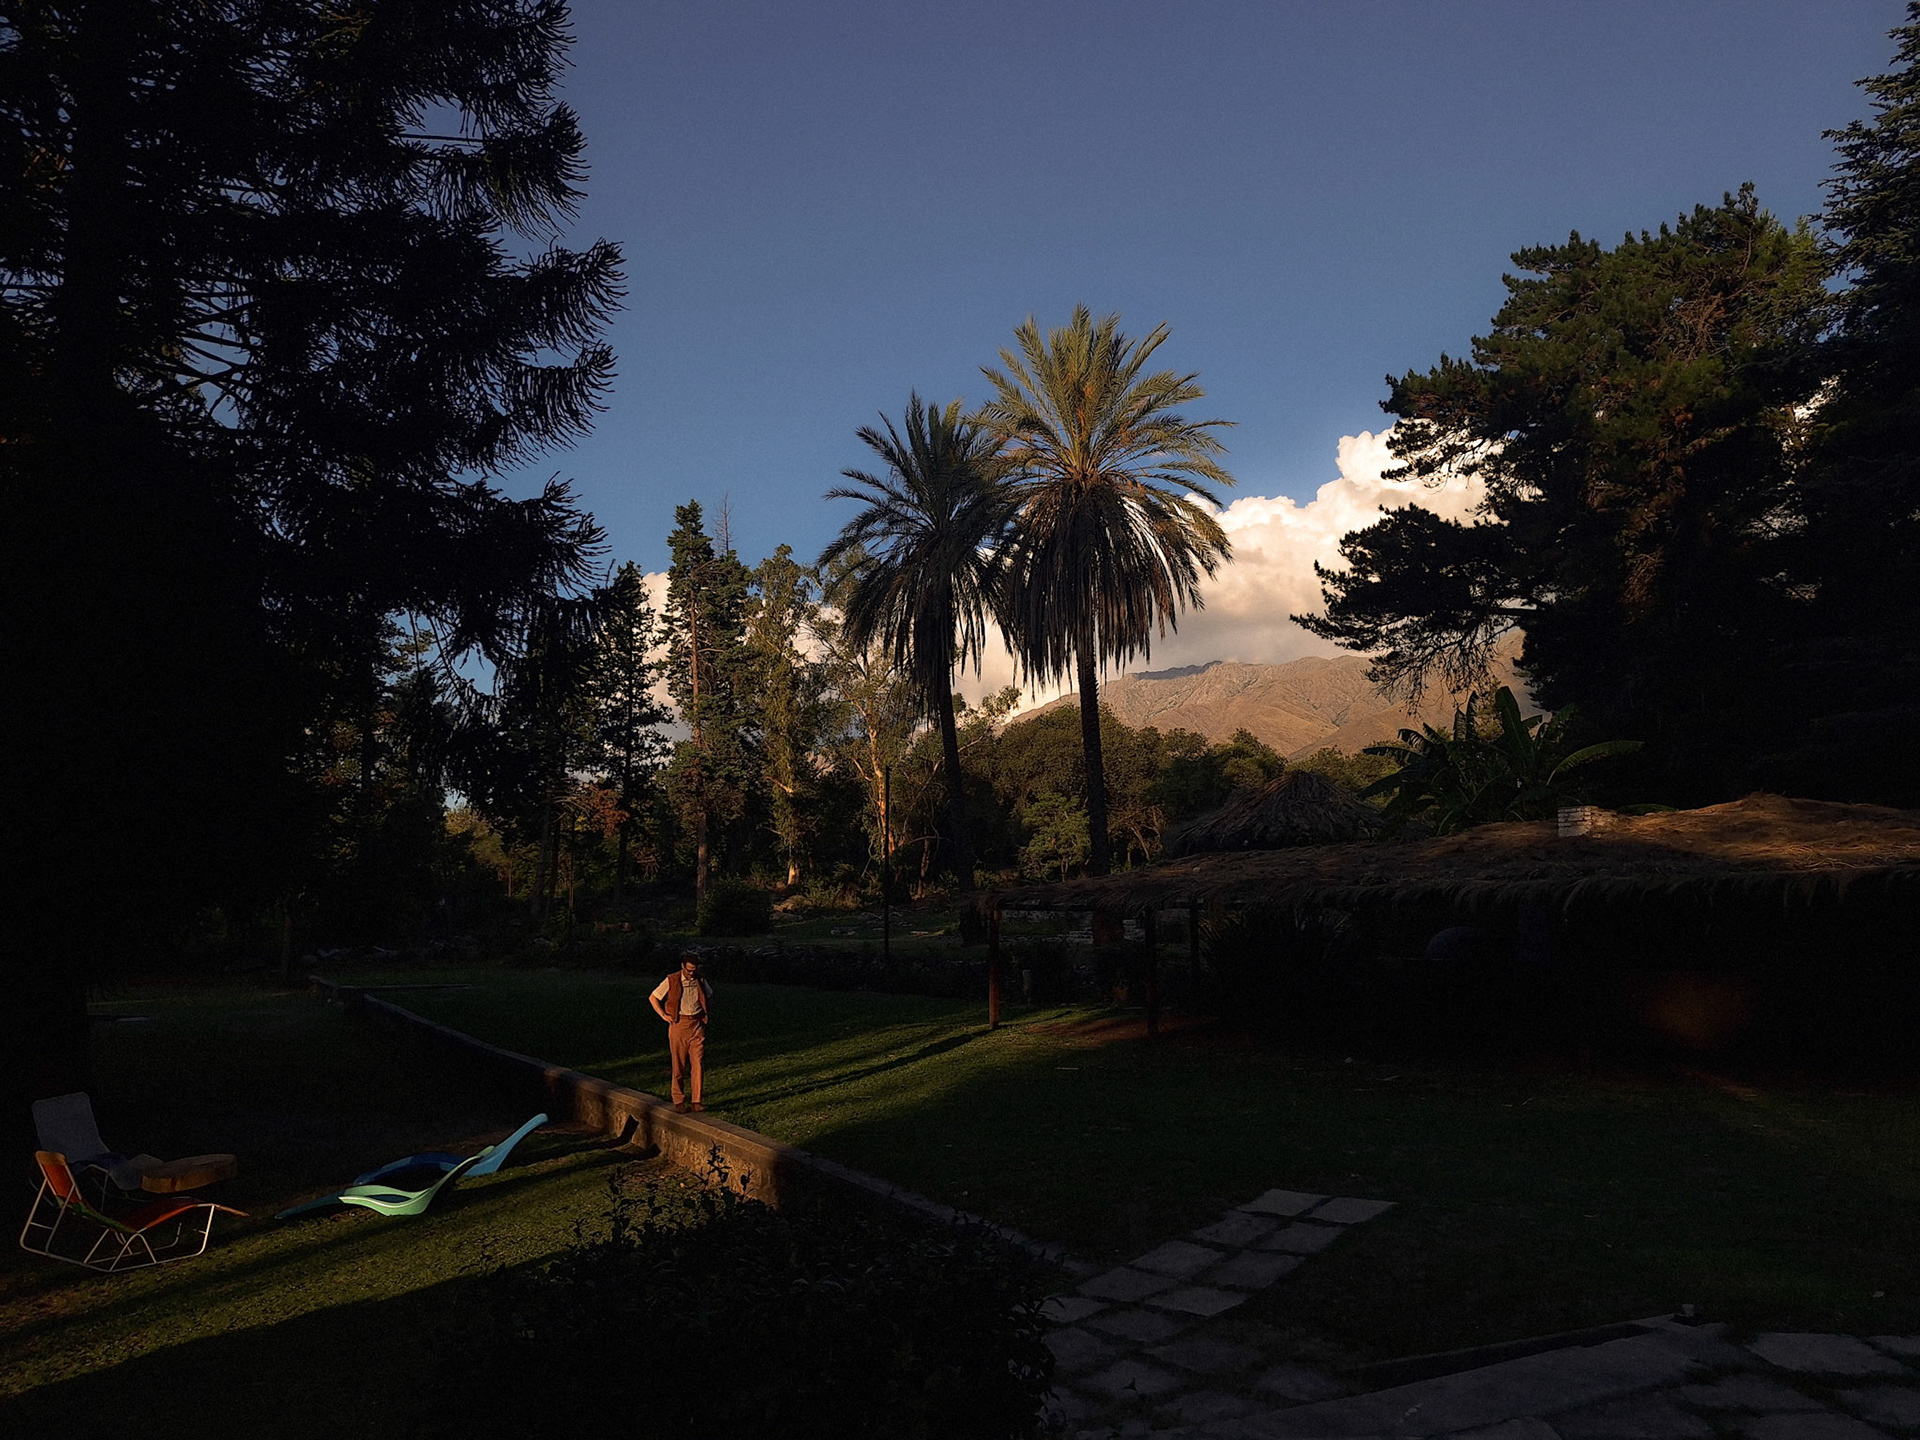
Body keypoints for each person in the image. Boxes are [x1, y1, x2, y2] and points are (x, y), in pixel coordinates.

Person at [649, 953, 713, 1112]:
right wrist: (664, 1015)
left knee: (698, 1063)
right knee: (678, 1064)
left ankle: (697, 1101)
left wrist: (704, 1014)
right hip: (679, 1024)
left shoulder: (700, 980)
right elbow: (653, 997)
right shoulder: (672, 980)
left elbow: (709, 995)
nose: (691, 973)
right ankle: (679, 1100)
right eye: (689, 970)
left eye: (694, 970)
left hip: (697, 1024)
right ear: (682, 966)